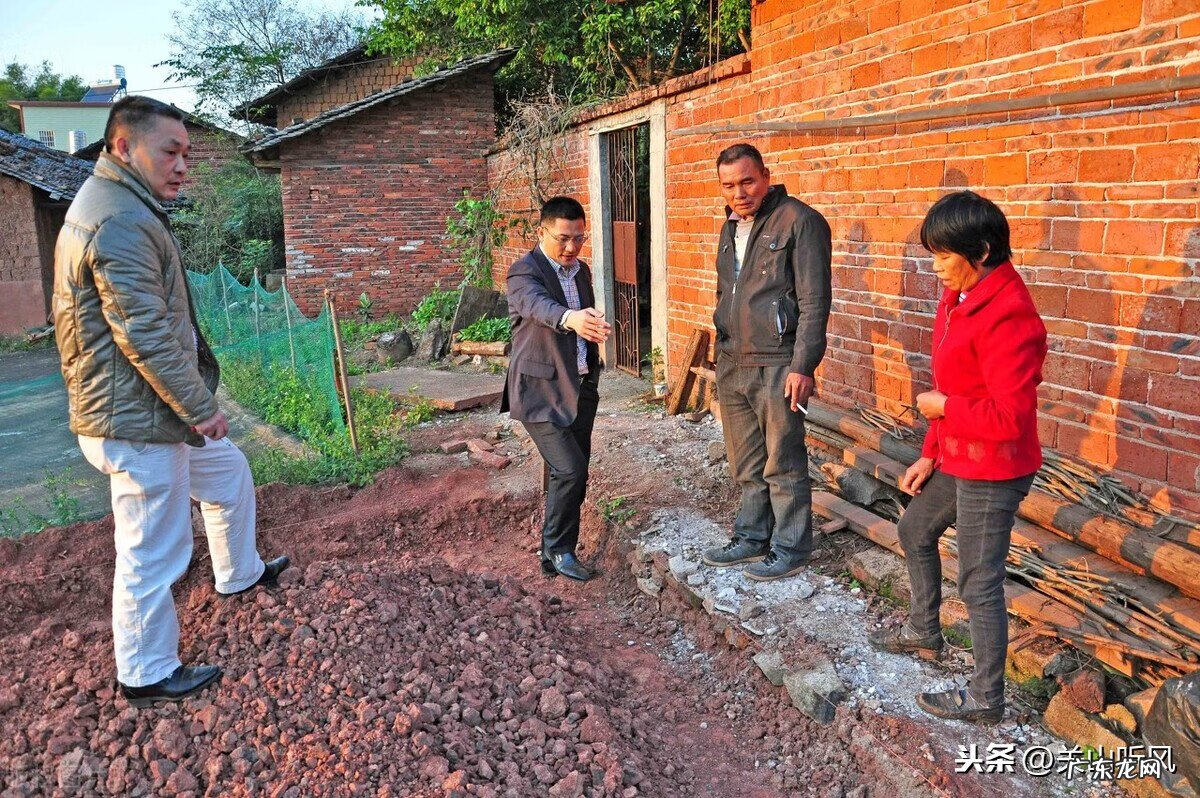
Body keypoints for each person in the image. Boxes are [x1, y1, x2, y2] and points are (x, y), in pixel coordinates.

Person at [53, 96, 289, 708]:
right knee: (153, 549)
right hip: (135, 418)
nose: (183, 165)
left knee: (228, 473)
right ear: (124, 147)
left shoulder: (119, 202)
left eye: (187, 153)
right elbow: (145, 334)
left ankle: (239, 574)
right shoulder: (119, 220)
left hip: (146, 408)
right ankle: (145, 671)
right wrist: (200, 408)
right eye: (170, 152)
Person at [868, 190, 1047, 724]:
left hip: (996, 467)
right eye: (933, 254)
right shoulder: (959, 298)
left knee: (978, 580)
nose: (936, 267)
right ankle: (925, 632)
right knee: (915, 529)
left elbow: (1009, 417)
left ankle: (987, 696)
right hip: (960, 454)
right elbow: (949, 384)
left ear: (982, 251)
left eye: (944, 256)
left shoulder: (1011, 315)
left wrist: (945, 408)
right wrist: (931, 453)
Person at [701, 144, 832, 582]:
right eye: (728, 186)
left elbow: (814, 302)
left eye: (747, 182)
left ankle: (792, 547)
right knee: (745, 460)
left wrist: (803, 365)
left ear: (766, 177)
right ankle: (752, 536)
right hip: (733, 360)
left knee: (783, 459)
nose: (739, 193)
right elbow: (727, 293)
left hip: (778, 362)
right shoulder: (729, 227)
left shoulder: (800, 221)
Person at [501, 196, 611, 582]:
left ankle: (553, 552)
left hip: (580, 387)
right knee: (570, 470)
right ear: (542, 232)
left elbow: (583, 324)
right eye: (562, 238)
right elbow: (538, 307)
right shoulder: (523, 272)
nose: (570, 247)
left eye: (579, 238)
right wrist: (571, 318)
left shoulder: (581, 272)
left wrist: (591, 347)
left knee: (572, 474)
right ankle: (561, 550)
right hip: (539, 391)